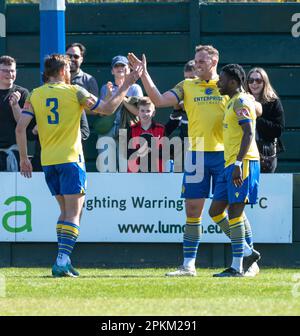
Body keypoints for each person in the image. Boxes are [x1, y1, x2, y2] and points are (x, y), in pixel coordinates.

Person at [128, 47, 261, 277]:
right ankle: (189, 265)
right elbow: (159, 100)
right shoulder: (186, 85)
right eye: (196, 61)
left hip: (224, 156)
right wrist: (144, 74)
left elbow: (254, 107)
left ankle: (247, 259)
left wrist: (253, 104)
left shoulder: (228, 84)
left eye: (202, 60)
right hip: (196, 155)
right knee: (192, 210)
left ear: (214, 61)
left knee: (233, 211)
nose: (197, 64)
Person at [15, 54, 141, 278]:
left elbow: (20, 128)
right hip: (71, 159)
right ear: (63, 71)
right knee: (74, 213)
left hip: (48, 161)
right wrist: (129, 83)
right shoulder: (75, 91)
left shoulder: (34, 94)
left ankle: (65, 258)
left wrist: (24, 158)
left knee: (65, 212)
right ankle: (61, 260)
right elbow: (108, 108)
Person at [210, 64, 260, 277]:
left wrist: (239, 164)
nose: (218, 83)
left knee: (235, 213)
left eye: (221, 79)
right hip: (229, 163)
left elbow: (249, 133)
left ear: (232, 82)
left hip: (243, 162)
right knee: (215, 211)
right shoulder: (231, 102)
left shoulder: (241, 100)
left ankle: (237, 266)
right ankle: (247, 252)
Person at [95, 55, 143, 172]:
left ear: (129, 69)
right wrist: (108, 97)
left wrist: (120, 97)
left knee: (126, 169)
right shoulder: (105, 88)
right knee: (106, 170)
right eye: (117, 66)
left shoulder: (135, 88)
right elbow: (102, 113)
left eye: (123, 65)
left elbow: (139, 113)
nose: (120, 68)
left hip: (127, 130)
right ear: (112, 70)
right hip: (107, 131)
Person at [246, 67, 285, 173]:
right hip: (244, 152)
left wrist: (257, 117)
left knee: (265, 187)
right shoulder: (241, 100)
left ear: (264, 82)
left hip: (265, 154)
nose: (254, 83)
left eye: (258, 80)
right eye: (251, 80)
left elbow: (278, 129)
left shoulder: (273, 102)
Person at [0, 56, 30, 171]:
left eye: (12, 70)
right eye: (5, 71)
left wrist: (15, 106)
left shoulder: (22, 93)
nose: (10, 74)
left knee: (12, 189)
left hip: (14, 154)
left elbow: (22, 124)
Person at [127, 97, 165, 173]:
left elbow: (166, 153)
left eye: (148, 111)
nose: (145, 114)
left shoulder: (161, 129)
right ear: (138, 112)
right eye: (142, 111)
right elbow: (126, 153)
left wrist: (153, 151)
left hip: (156, 172)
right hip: (135, 172)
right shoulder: (131, 129)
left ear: (153, 113)